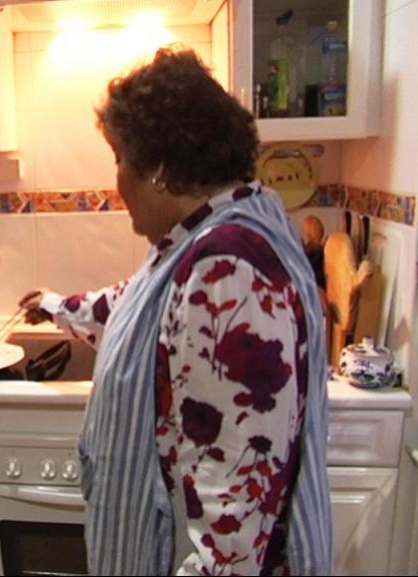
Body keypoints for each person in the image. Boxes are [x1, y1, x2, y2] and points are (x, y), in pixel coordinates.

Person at [20, 47, 333, 575]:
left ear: (160, 169)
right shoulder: (204, 240)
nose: (116, 182)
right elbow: (133, 309)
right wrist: (55, 307)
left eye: (119, 159)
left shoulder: (229, 271)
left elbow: (230, 534)